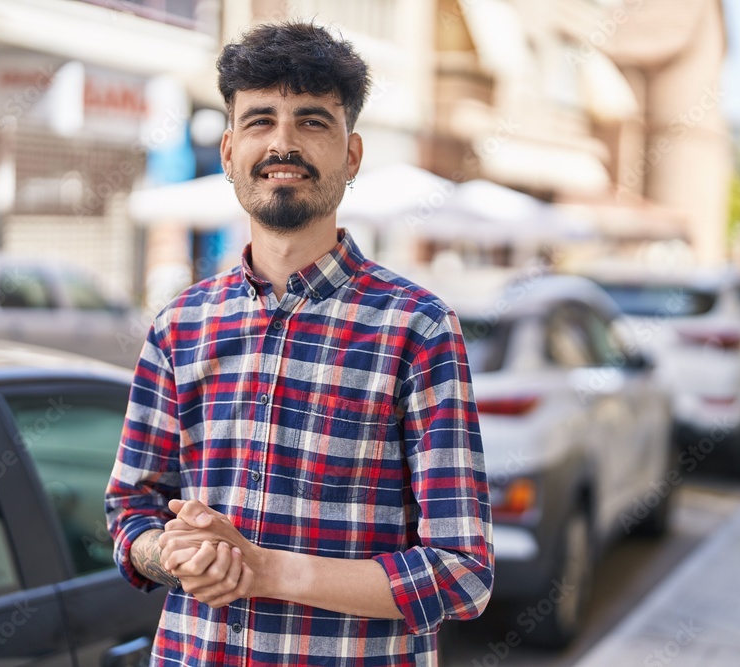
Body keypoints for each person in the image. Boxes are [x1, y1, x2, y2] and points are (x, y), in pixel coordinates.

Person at [105, 22, 493, 667]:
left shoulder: (417, 328)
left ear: (353, 154)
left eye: (312, 121)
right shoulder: (180, 324)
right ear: (229, 150)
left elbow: (461, 573)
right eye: (260, 120)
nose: (282, 143)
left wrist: (263, 570)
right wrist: (170, 554)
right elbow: (130, 512)